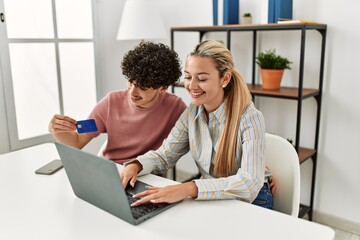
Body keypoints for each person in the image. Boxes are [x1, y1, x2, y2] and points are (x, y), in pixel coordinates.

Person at [121, 40, 273, 209]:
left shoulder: (250, 117)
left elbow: (249, 183)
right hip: (211, 195)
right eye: (187, 77)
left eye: (201, 78)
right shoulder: (192, 113)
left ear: (225, 78)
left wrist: (188, 188)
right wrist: (136, 165)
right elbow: (165, 155)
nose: (191, 86)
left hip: (253, 200)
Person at [48, 42, 187, 164]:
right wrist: (57, 130)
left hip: (146, 173)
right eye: (131, 83)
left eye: (142, 88)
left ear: (162, 88)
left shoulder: (175, 107)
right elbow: (77, 141)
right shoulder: (110, 104)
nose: (132, 93)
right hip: (111, 169)